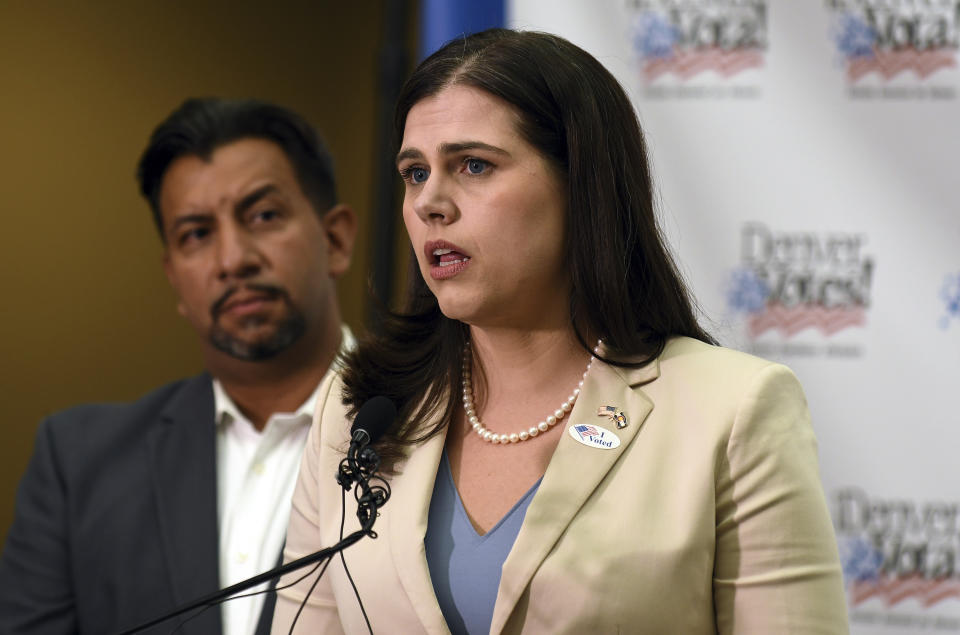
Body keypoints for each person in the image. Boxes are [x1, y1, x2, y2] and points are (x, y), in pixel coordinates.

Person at [272, 29, 848, 635]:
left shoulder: (731, 412)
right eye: (415, 173)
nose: (430, 203)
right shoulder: (359, 410)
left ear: (582, 185)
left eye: (473, 165)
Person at [0, 98, 357, 635]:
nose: (232, 259)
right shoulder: (77, 465)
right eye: (196, 233)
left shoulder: (442, 429)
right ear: (173, 277)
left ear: (335, 240)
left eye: (263, 215)